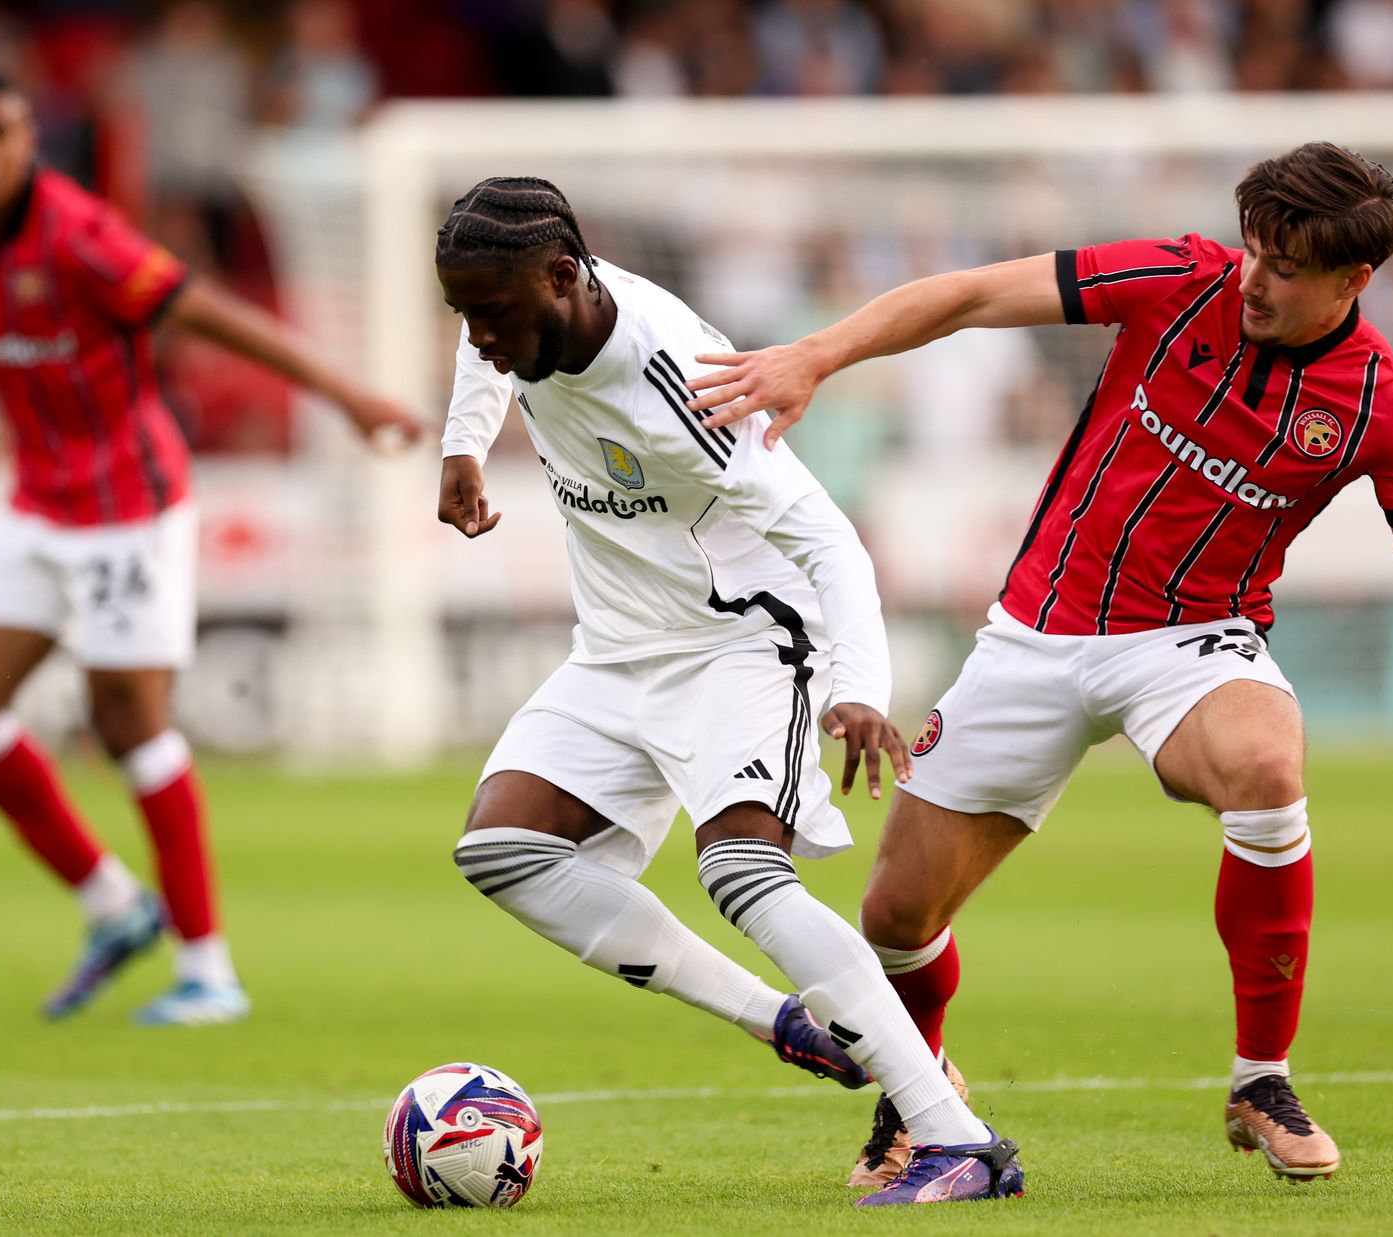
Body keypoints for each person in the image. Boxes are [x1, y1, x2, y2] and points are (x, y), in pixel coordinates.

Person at [687, 141, 1393, 1184]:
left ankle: (1262, 1077)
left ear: (1355, 281)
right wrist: (817, 353)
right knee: (894, 918)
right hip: (1036, 631)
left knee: (1266, 765)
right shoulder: (1176, 277)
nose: (1255, 278)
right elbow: (974, 294)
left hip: (1191, 641)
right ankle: (922, 1087)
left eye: (1287, 267)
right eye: (1255, 249)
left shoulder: (1380, 403)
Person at [435, 176, 1023, 1207]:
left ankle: (956, 1137)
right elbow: (479, 342)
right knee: (502, 848)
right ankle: (783, 1019)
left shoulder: (678, 381)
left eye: (495, 315)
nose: (481, 339)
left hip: (740, 643)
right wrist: (462, 447)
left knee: (743, 872)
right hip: (616, 647)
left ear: (564, 278)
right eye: (467, 315)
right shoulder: (521, 309)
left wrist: (860, 685)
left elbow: (826, 538)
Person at [0, 67, 422, 1027]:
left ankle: (208, 968)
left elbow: (209, 312)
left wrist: (347, 394)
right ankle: (114, 906)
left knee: (128, 723)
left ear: (29, 140)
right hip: (36, 503)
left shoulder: (82, 237)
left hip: (127, 507)